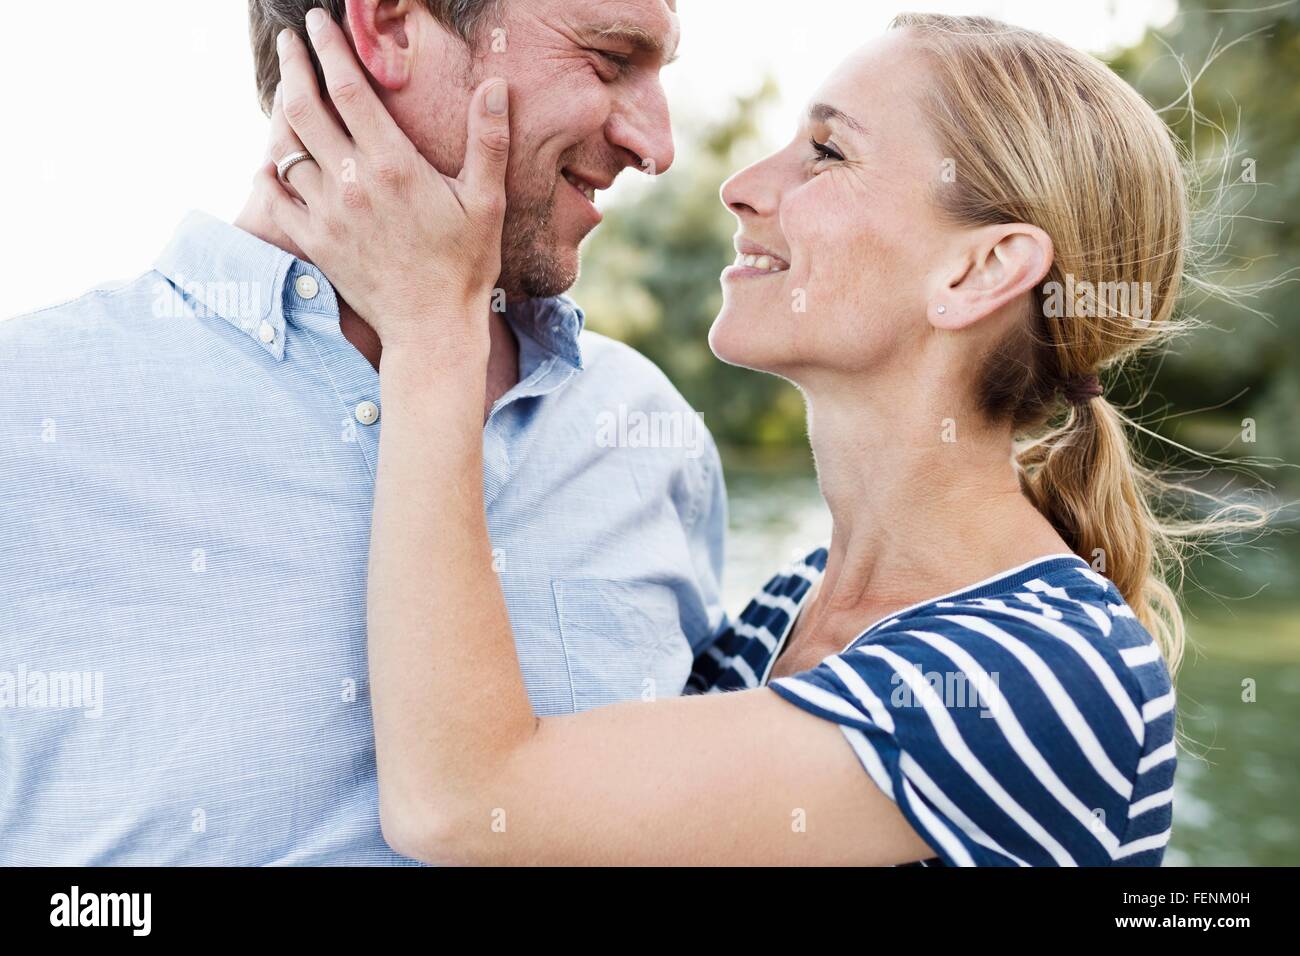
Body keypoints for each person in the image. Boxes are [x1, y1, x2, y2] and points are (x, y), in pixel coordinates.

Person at [261, 13, 1225, 865]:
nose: (740, 185)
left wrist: (434, 325)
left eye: (827, 154)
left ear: (979, 271)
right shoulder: (789, 609)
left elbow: (465, 803)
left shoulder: (1046, 673)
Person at [0, 0, 722, 865]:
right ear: (386, 27)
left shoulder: (646, 432)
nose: (659, 145)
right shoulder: (29, 421)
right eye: (609, 60)